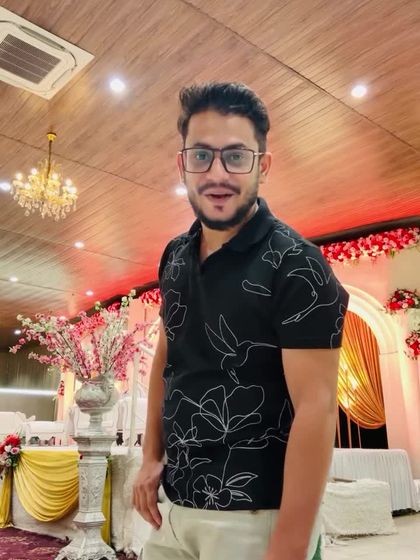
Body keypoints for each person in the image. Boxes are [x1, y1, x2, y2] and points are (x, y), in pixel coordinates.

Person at [133, 82, 349, 560]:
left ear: (262, 165)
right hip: (175, 508)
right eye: (202, 156)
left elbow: (316, 407)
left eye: (235, 156)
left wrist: (289, 546)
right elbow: (167, 359)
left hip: (256, 515)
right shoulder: (175, 255)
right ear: (182, 164)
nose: (217, 174)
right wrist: (151, 456)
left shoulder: (296, 263)